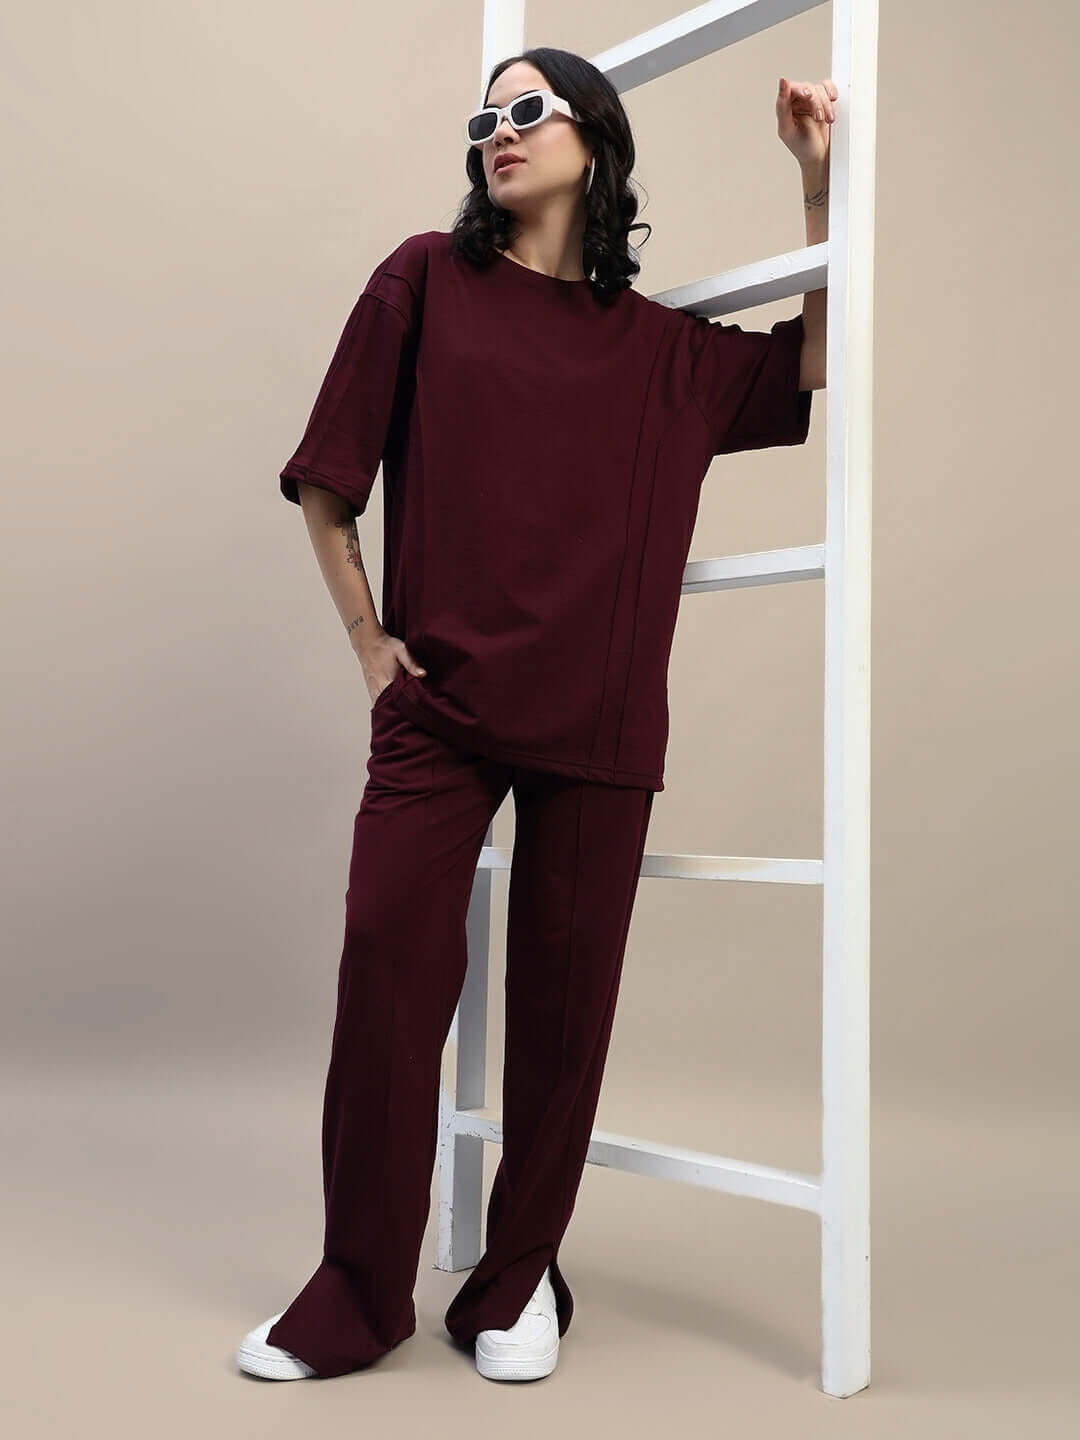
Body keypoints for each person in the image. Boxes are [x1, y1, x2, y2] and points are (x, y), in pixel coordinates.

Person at [236, 45, 821, 1384]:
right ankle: (355, 1289)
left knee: (566, 1016)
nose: (497, 134)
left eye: (526, 111)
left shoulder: (664, 353)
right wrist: (372, 648)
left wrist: (815, 184)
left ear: (595, 140)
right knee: (388, 976)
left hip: (600, 728)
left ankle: (515, 1283)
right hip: (436, 717)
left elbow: (814, 363)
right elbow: (330, 485)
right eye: (483, 118)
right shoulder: (424, 283)